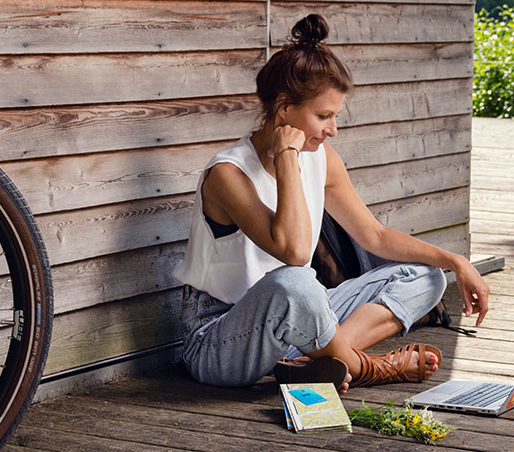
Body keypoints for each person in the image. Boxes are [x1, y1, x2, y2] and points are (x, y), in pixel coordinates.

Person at [172, 14, 489, 394]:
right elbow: (293, 251)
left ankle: (317, 359)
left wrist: (456, 262)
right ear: (284, 109)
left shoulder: (322, 157)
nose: (332, 129)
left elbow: (373, 235)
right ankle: (366, 365)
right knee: (296, 281)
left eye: (334, 116)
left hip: (302, 318)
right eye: (323, 116)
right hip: (221, 339)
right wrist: (287, 158)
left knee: (426, 275)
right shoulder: (228, 174)